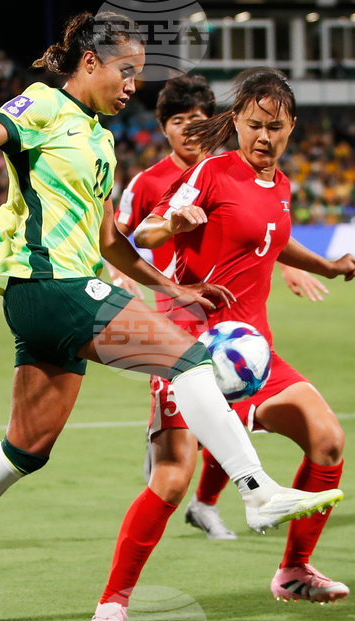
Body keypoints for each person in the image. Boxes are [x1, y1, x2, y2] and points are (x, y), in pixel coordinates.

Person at [0, 14, 343, 621]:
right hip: (52, 286)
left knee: (26, 448)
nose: (131, 86)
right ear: (89, 63)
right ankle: (257, 491)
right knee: (190, 361)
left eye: (138, 76)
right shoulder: (41, 104)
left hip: (57, 302)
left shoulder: (100, 138)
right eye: (125, 72)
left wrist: (172, 286)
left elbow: (110, 240)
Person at [90, 68, 355, 621]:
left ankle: (294, 571)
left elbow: (275, 241)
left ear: (292, 128)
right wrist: (176, 220)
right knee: (171, 479)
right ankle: (113, 601)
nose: (265, 137)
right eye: (256, 124)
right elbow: (145, 235)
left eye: (277, 127)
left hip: (251, 355)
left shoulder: (281, 185)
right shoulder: (212, 172)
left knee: (328, 437)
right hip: (188, 343)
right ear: (236, 121)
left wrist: (329, 265)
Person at [113, 74, 329, 541]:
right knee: (174, 471)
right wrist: (125, 273)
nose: (189, 129)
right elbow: (127, 235)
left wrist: (299, 266)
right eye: (178, 120)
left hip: (235, 330)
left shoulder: (247, 175)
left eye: (196, 119)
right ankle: (113, 599)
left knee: (237, 416)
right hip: (181, 322)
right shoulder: (161, 181)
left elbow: (267, 234)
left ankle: (216, 505)